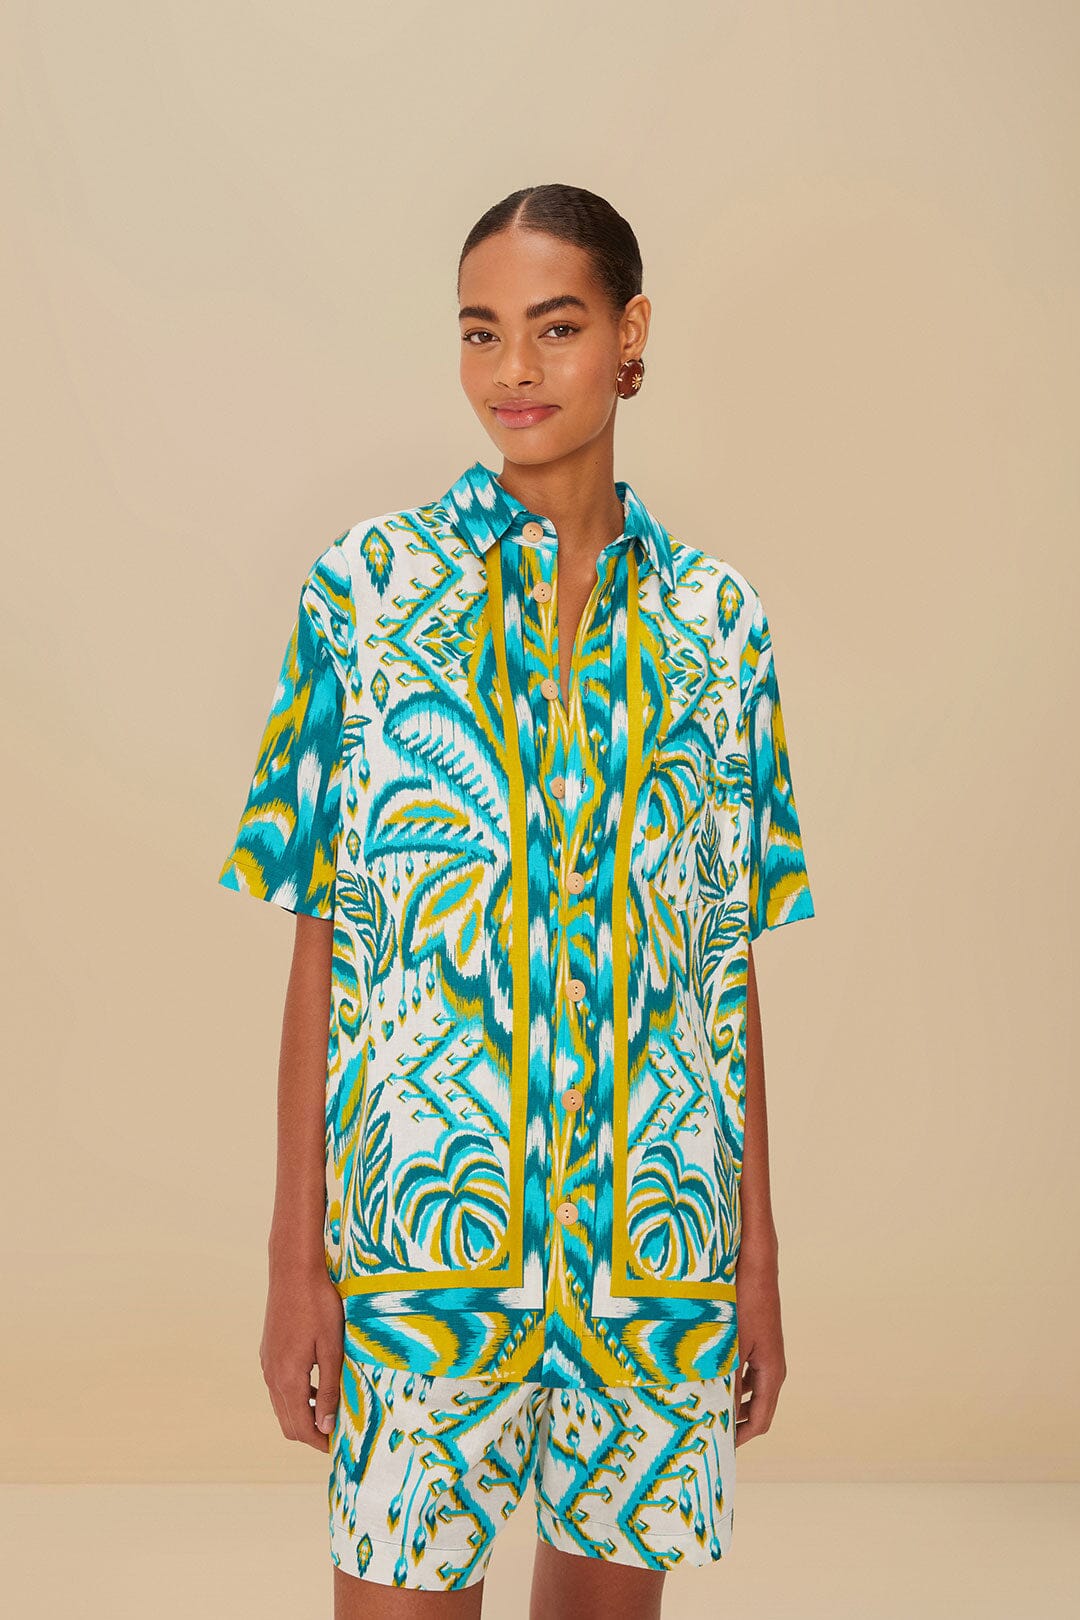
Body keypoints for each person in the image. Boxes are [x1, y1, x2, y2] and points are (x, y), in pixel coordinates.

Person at [217, 182, 816, 1620]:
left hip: (653, 1254)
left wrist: (755, 1257)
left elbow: (722, 970)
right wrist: (297, 1261)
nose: (514, 371)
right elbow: (321, 943)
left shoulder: (721, 626)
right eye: (481, 333)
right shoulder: (367, 594)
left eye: (556, 327)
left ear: (631, 334)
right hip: (422, 1255)